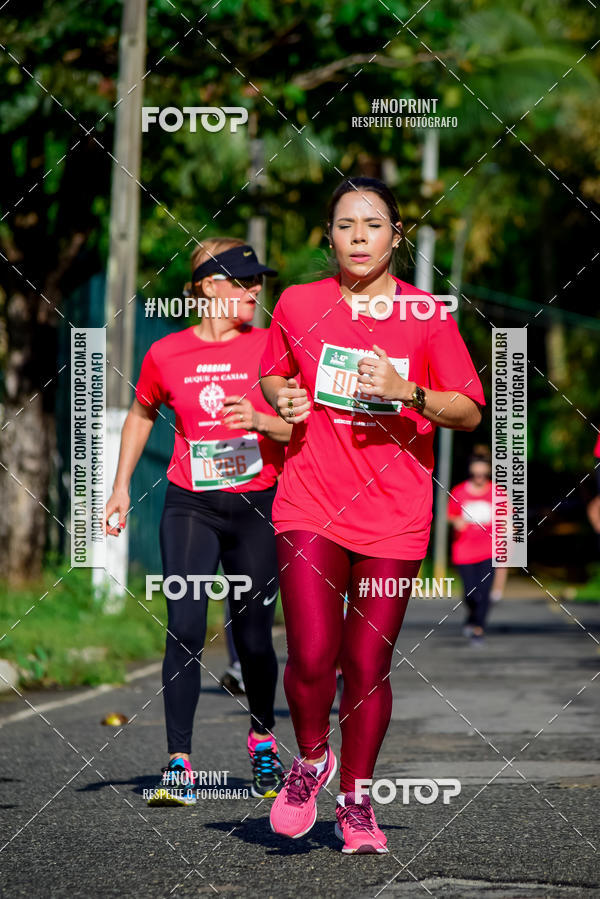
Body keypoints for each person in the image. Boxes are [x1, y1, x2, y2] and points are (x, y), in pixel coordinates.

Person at [259, 176, 485, 854]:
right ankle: (309, 759)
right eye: (346, 225)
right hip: (309, 500)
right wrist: (286, 399)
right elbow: (273, 372)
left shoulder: (428, 315)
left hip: (394, 514)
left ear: (397, 236)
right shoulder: (298, 303)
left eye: (374, 225)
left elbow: (469, 410)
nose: (359, 237)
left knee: (365, 663)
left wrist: (407, 390)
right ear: (327, 235)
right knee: (309, 655)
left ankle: (356, 800)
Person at [104, 237, 292, 804]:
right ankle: (178, 764)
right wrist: (118, 489)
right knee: (185, 628)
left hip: (259, 505)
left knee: (254, 636)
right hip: (192, 503)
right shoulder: (166, 354)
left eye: (259, 280)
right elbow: (141, 413)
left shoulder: (271, 349)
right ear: (210, 286)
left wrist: (260, 417)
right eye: (245, 280)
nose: (256, 289)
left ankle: (262, 740)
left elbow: (297, 429)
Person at [448, 448, 496, 646]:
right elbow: (450, 515)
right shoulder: (459, 491)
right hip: (464, 551)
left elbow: (508, 516)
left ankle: (478, 628)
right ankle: (471, 615)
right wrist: (456, 521)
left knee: (484, 592)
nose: (479, 477)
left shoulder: (497, 493)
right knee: (470, 592)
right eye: (476, 473)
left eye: (483, 473)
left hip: (489, 550)